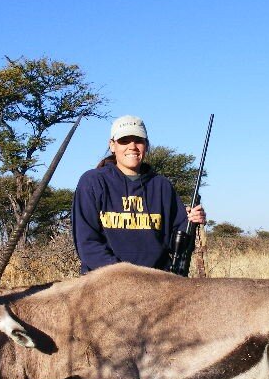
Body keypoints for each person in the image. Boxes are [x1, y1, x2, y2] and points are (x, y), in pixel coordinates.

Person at [71, 115, 206, 274]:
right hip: (106, 282)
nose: (132, 146)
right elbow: (87, 244)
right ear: (112, 145)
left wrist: (191, 220)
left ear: (146, 145)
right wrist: (127, 276)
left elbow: (174, 240)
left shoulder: (162, 185)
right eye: (124, 141)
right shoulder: (92, 181)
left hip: (157, 283)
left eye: (138, 140)